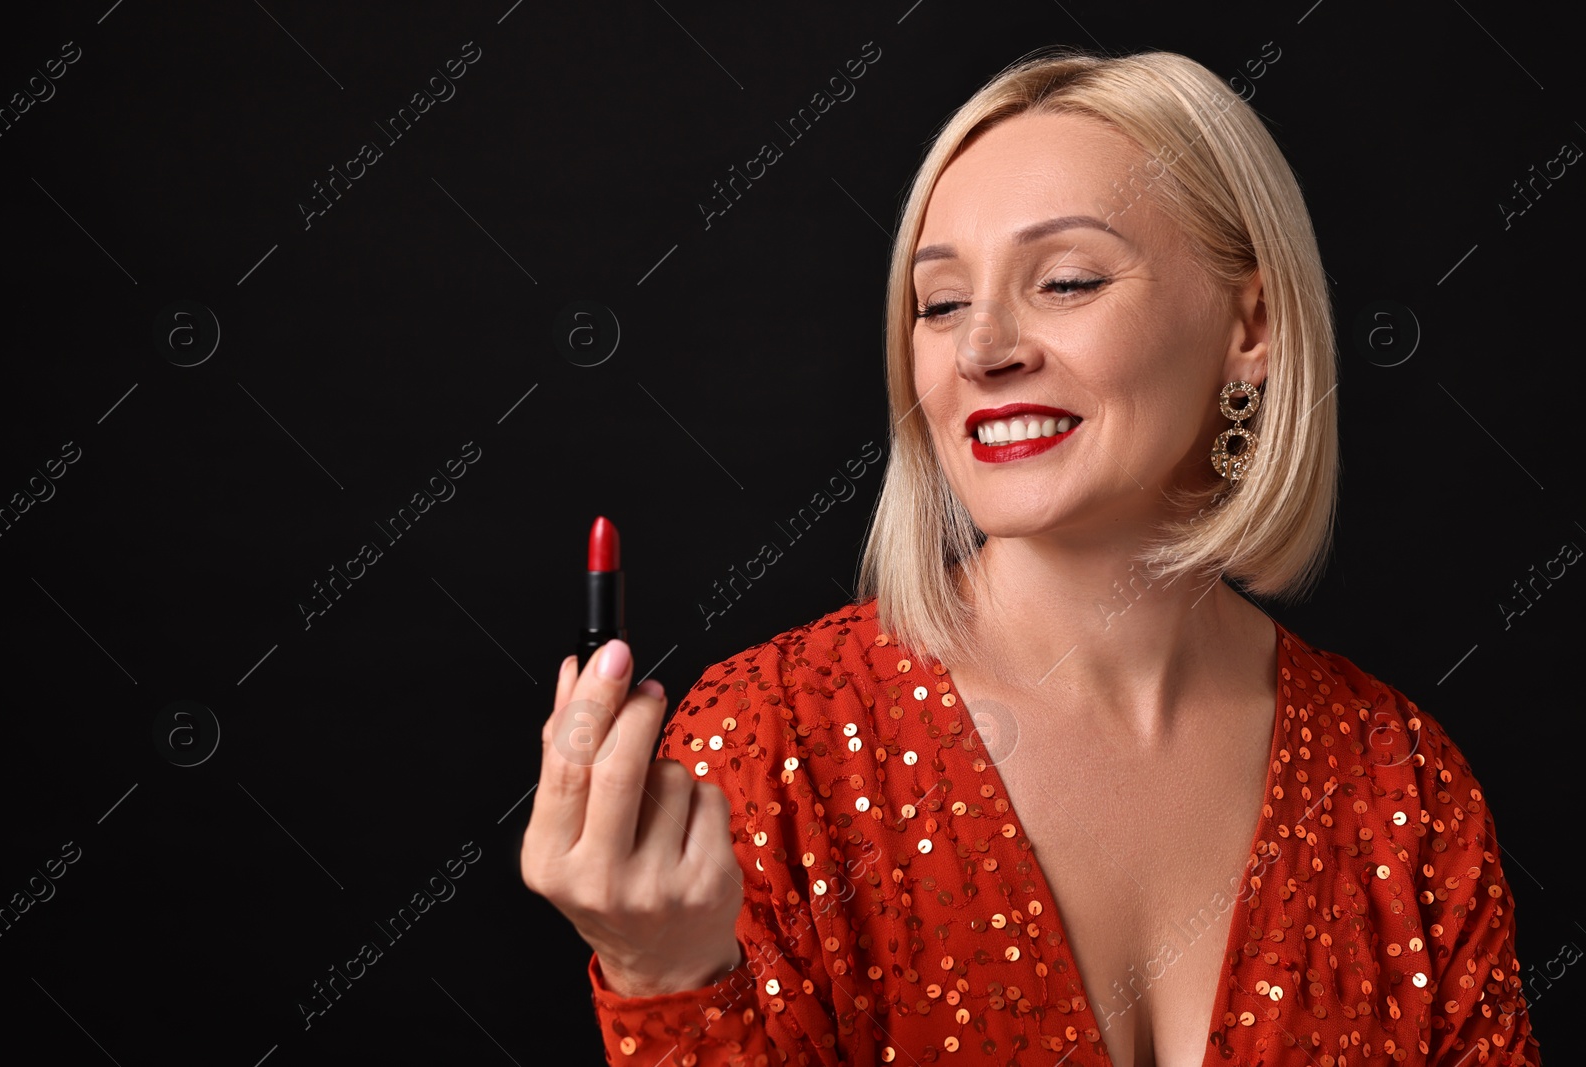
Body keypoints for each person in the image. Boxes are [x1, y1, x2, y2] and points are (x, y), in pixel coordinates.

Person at [520, 48, 1543, 1067]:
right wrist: (665, 982)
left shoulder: (1400, 783)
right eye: (941, 302)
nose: (981, 350)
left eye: (1064, 280)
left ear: (1252, 324)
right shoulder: (767, 741)